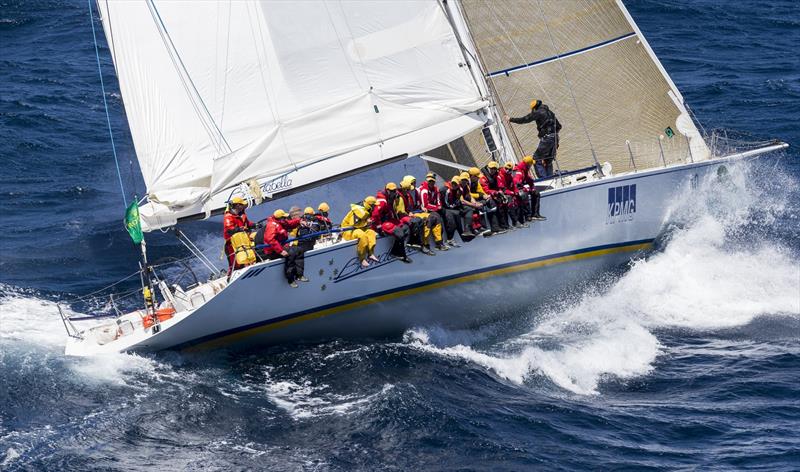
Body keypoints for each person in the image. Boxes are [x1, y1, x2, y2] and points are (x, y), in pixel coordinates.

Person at [505, 99, 562, 178]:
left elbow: (525, 119)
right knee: (548, 160)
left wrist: (511, 119)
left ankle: (544, 179)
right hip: (555, 137)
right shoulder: (550, 112)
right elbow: (559, 126)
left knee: (536, 159)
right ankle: (550, 177)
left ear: (534, 108)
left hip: (547, 138)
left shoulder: (538, 112)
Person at [260, 209, 307, 288]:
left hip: (282, 246)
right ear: (280, 218)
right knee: (291, 253)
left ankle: (299, 275)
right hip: (273, 250)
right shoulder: (272, 225)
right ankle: (290, 279)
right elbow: (270, 239)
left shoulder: (281, 222)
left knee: (299, 250)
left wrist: (299, 221)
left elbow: (290, 223)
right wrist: (280, 251)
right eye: (284, 218)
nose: (285, 219)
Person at [401, 174, 446, 253]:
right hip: (411, 213)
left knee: (436, 217)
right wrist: (408, 213)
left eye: (414, 183)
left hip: (418, 211)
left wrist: (422, 207)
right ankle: (425, 244)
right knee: (427, 220)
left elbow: (419, 203)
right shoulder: (404, 194)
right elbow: (402, 209)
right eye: (413, 183)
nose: (415, 184)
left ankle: (439, 242)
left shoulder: (416, 191)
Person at [372, 182, 412, 263]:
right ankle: (400, 254)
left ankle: (395, 251)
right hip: (381, 223)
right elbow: (375, 215)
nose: (394, 192)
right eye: (392, 191)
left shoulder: (391, 197)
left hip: (389, 220)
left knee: (406, 228)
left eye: (395, 190)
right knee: (399, 233)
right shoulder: (382, 200)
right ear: (387, 191)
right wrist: (379, 228)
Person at [341, 196, 379, 268]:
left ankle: (371, 253)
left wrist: (366, 223)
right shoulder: (359, 211)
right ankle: (362, 258)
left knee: (371, 232)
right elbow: (354, 224)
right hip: (348, 230)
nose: (375, 207)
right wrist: (366, 223)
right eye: (374, 205)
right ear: (370, 205)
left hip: (357, 229)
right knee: (363, 236)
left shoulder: (365, 210)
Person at [468, 167, 505, 235]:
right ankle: (483, 229)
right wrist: (480, 196)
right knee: (480, 206)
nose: (478, 178)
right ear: (472, 176)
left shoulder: (475, 181)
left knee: (490, 202)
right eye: (477, 177)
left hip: (475, 199)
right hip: (468, 201)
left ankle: (495, 228)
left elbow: (480, 191)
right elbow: (468, 194)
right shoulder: (466, 182)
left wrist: (486, 196)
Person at [222, 196, 255, 274]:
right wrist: (239, 229)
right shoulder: (228, 216)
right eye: (242, 204)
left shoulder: (242, 215)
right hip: (232, 244)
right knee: (235, 263)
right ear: (237, 205)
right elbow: (229, 230)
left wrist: (254, 225)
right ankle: (231, 277)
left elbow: (248, 224)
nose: (244, 206)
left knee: (247, 258)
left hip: (243, 241)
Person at [440, 176, 473, 245]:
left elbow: (458, 199)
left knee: (469, 209)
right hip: (445, 208)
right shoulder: (445, 190)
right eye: (453, 183)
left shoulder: (460, 190)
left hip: (454, 206)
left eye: (455, 184)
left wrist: (458, 203)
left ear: (458, 184)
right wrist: (456, 204)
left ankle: (467, 230)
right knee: (456, 214)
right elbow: (446, 204)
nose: (453, 185)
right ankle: (453, 237)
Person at [479, 161, 511, 230]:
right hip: (487, 196)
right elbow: (485, 190)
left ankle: (505, 225)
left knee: (505, 204)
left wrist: (501, 193)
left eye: (494, 168)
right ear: (488, 168)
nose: (492, 170)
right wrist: (495, 192)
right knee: (495, 205)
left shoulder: (498, 175)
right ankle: (496, 227)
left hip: (497, 194)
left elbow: (501, 185)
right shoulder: (483, 178)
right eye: (491, 168)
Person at [514, 156, 546, 221]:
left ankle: (535, 214)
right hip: (516, 190)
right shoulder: (518, 171)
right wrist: (526, 189)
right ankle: (527, 216)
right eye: (531, 164)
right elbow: (516, 183)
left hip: (521, 188)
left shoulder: (524, 170)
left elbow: (530, 180)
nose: (531, 166)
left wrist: (532, 188)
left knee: (536, 193)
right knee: (524, 194)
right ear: (528, 164)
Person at [499, 161, 527, 228]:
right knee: (510, 201)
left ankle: (521, 220)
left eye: (509, 169)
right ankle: (515, 222)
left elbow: (513, 186)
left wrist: (516, 191)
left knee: (520, 198)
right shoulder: (500, 175)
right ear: (504, 167)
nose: (507, 170)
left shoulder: (510, 175)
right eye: (506, 168)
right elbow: (502, 188)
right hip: (502, 193)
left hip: (509, 192)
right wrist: (512, 193)